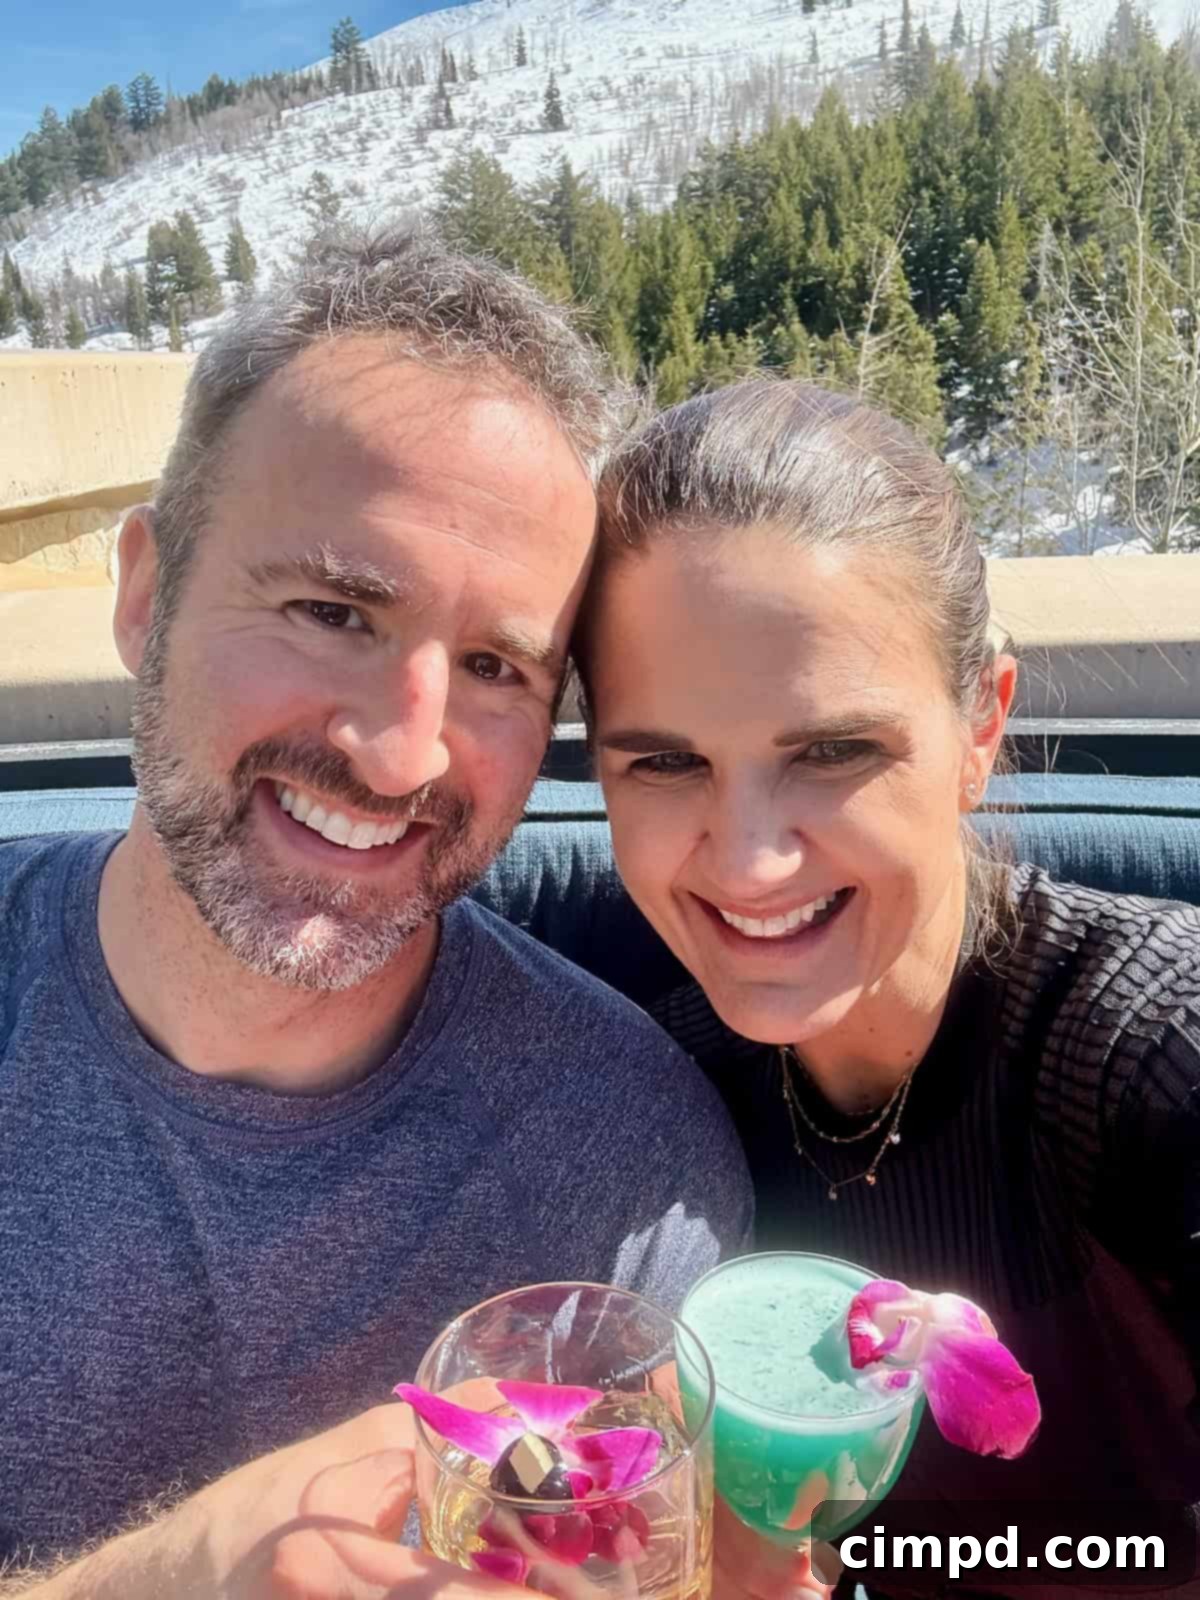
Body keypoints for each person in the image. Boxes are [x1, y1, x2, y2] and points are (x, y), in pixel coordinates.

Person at [0, 228, 753, 1595]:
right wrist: (166, 1577)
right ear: (144, 592)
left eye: (493, 667)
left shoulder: (628, 1176)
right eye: (333, 611)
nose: (404, 756)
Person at [577, 380, 1200, 1596]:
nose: (749, 859)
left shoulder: (1152, 1057)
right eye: (664, 761)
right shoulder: (667, 1095)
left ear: (980, 728)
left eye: (832, 751)